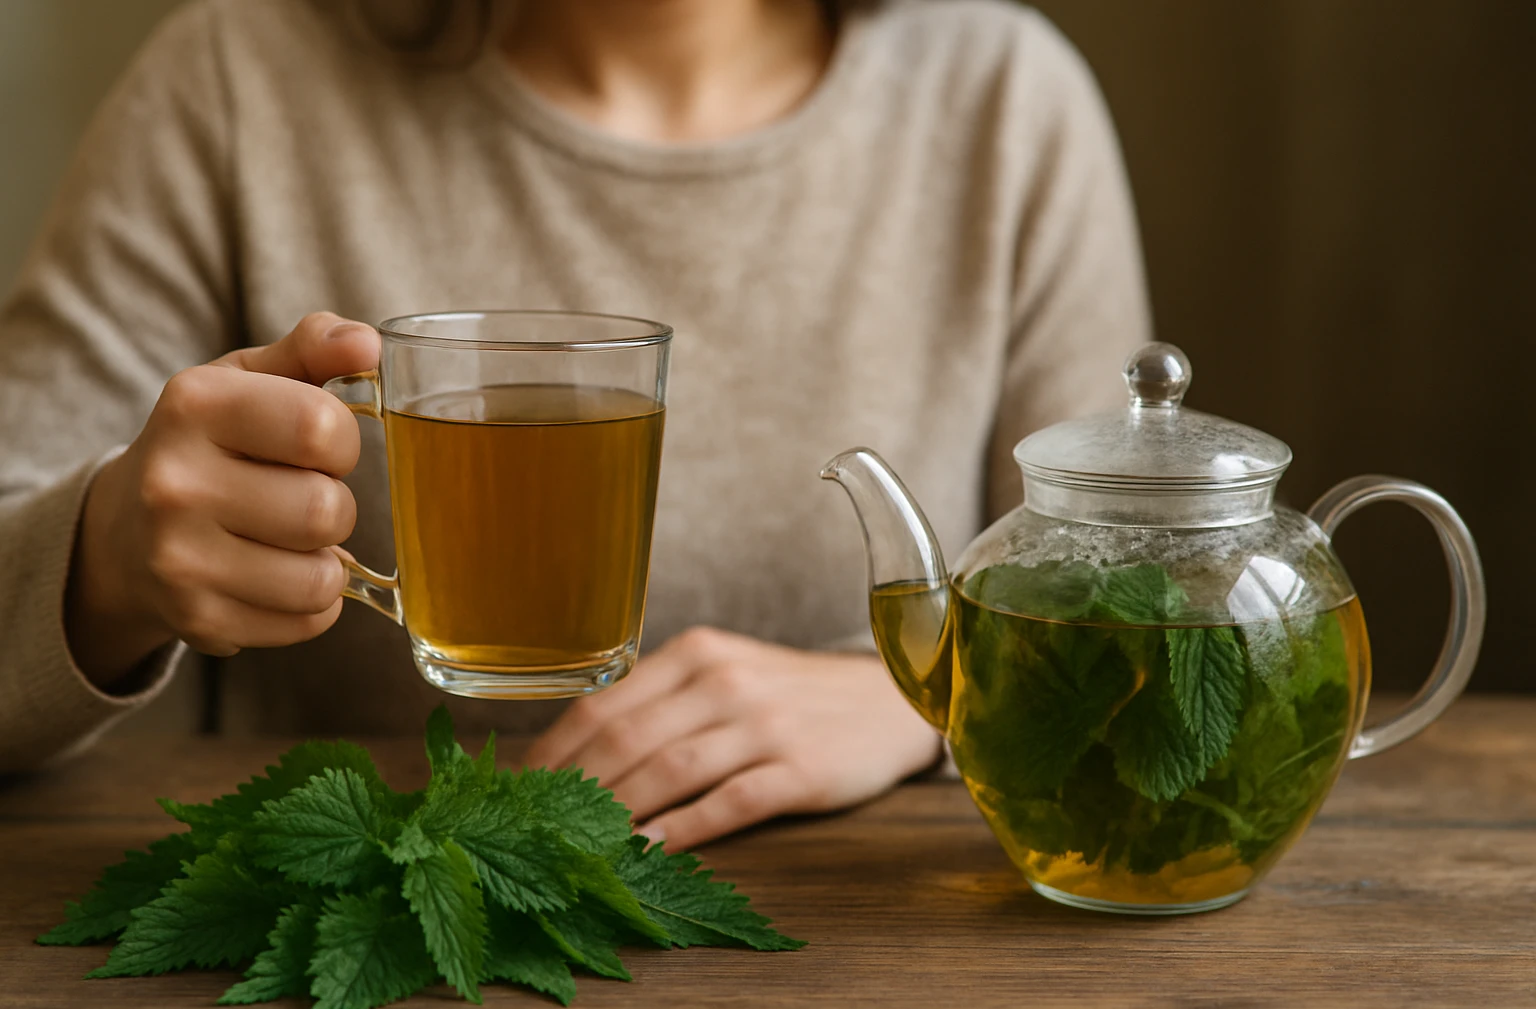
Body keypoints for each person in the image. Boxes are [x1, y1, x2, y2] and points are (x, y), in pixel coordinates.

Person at [0, 0, 1147, 848]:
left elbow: (1132, 623)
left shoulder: (1007, 103)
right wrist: (100, 562)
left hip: (885, 956)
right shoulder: (237, 78)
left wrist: (927, 695)